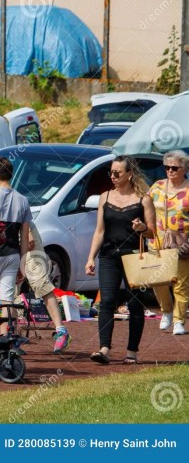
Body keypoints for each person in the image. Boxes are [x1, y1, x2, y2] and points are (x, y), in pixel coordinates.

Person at [85, 155, 155, 364]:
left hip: (134, 256)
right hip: (108, 255)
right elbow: (99, 231)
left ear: (129, 174)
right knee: (106, 302)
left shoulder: (144, 199)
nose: (113, 177)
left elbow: (152, 232)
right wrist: (91, 257)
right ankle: (104, 349)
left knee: (135, 304)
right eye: (111, 173)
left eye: (117, 173)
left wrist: (142, 228)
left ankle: (131, 352)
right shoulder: (105, 197)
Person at [0, 157, 31, 334]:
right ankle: (8, 336)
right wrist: (23, 264)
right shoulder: (23, 200)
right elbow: (24, 236)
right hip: (13, 254)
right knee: (7, 299)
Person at [149, 150, 189, 335]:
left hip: (182, 241)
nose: (170, 171)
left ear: (184, 168)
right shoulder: (156, 187)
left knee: (181, 282)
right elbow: (145, 207)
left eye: (174, 168)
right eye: (167, 167)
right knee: (158, 279)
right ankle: (166, 310)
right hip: (157, 241)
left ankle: (179, 320)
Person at [22, 222, 71, 354]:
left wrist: (29, 234)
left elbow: (24, 209)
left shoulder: (19, 201)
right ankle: (11, 336)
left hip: (24, 231)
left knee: (41, 284)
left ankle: (61, 331)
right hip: (3, 238)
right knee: (10, 291)